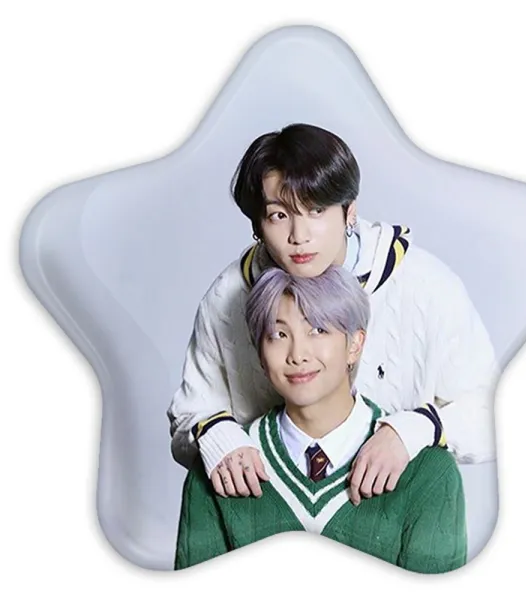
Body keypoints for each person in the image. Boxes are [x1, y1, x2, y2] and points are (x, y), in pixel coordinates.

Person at [167, 123, 498, 505]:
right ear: (257, 225)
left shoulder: (425, 285)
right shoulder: (228, 296)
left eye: (316, 210)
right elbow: (189, 415)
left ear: (349, 211)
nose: (299, 235)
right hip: (272, 511)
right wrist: (216, 435)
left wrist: (413, 429)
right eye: (278, 215)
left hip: (394, 513)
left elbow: (493, 416)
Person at [174, 266, 467, 574]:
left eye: (317, 330)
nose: (297, 355)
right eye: (278, 335)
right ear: (260, 352)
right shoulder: (219, 469)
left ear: (355, 345)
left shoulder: (428, 473)